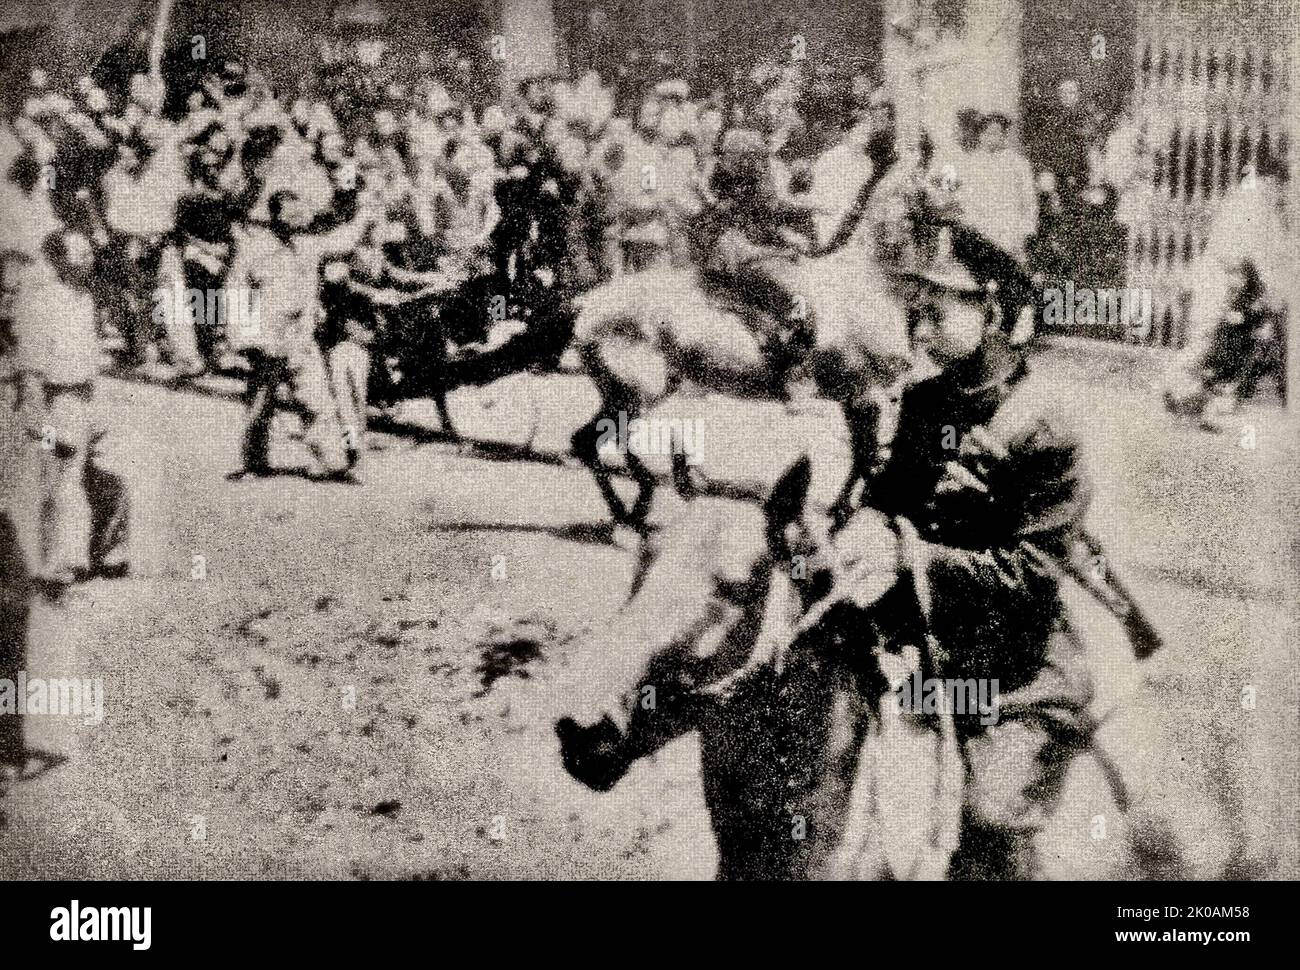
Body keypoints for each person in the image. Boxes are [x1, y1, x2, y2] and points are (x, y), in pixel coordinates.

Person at [224, 189, 380, 480]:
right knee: (260, 408)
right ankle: (253, 463)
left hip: (300, 340)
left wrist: (364, 217)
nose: (298, 218)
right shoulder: (253, 249)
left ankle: (334, 461)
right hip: (266, 341)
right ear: (275, 216)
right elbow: (235, 293)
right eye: (290, 213)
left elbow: (342, 240)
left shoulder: (309, 246)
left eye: (300, 213)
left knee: (319, 402)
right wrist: (243, 340)